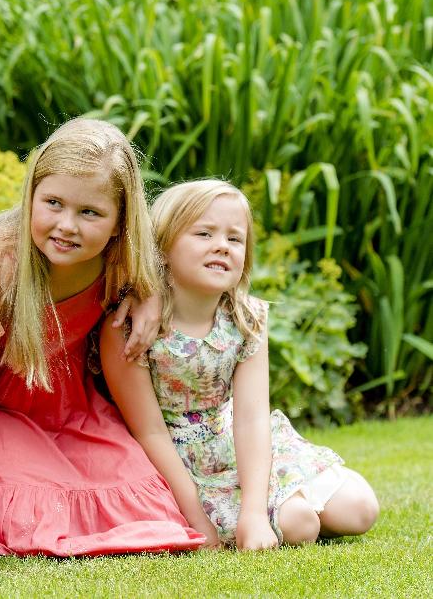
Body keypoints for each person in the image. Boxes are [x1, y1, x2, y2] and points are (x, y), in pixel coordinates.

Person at [0, 118, 205, 556]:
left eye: (89, 212)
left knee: (143, 501)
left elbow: (157, 263)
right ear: (31, 195)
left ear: (118, 223)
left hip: (73, 408)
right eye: (53, 203)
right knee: (19, 509)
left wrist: (149, 295)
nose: (67, 225)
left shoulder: (115, 261)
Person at [100, 179, 379, 550]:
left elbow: (251, 418)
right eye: (204, 233)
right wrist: (198, 520)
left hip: (238, 444)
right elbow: (149, 432)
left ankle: (269, 508)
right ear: (162, 247)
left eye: (235, 239)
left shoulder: (246, 318)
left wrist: (253, 513)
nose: (222, 246)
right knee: (299, 525)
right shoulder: (130, 327)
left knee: (360, 509)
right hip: (178, 463)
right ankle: (282, 512)